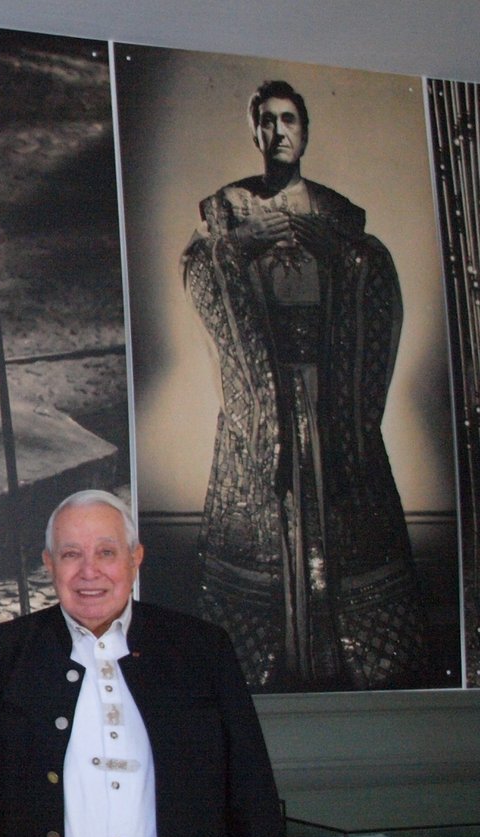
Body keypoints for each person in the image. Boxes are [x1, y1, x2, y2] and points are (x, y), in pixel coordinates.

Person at [182, 80, 426, 691]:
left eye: (289, 119)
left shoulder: (336, 213)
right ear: (254, 131)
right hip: (264, 397)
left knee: (345, 513)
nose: (278, 131)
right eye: (266, 120)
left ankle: (348, 657)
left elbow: (375, 274)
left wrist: (341, 257)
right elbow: (198, 270)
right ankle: (271, 656)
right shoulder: (229, 207)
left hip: (329, 399)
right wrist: (238, 247)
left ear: (306, 130)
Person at [0, 489, 288, 837]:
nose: (89, 571)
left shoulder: (201, 649)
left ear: (135, 558)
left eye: (106, 553)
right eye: (71, 554)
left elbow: (253, 797)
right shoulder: (1, 654)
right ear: (49, 564)